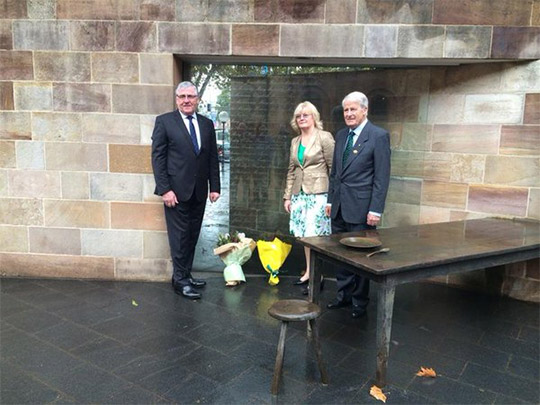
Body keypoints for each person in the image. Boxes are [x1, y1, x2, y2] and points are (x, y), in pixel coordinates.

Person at [151, 81, 220, 300]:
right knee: (179, 238)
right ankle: (180, 281)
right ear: (177, 99)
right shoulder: (164, 122)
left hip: (199, 192)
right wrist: (165, 190)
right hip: (175, 193)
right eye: (182, 96)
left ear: (198, 99)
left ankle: (185, 275)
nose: (187, 100)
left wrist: (215, 187)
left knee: (192, 236)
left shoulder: (207, 124)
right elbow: (158, 158)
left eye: (191, 96)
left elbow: (211, 158)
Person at [325, 91, 391, 318]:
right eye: (346, 110)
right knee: (341, 255)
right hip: (340, 207)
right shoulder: (342, 135)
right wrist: (330, 200)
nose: (349, 114)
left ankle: (359, 302)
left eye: (353, 109)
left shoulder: (378, 136)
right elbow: (335, 173)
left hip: (362, 210)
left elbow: (381, 177)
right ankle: (343, 296)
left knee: (361, 258)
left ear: (365, 110)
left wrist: (375, 209)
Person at [283, 101, 335, 293]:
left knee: (315, 237)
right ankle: (308, 272)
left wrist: (332, 198)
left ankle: (317, 276)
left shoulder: (325, 137)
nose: (302, 118)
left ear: (314, 117)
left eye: (306, 115)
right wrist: (287, 197)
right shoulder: (295, 141)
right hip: (299, 195)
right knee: (304, 236)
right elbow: (291, 169)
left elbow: (333, 168)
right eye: (298, 116)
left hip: (319, 194)